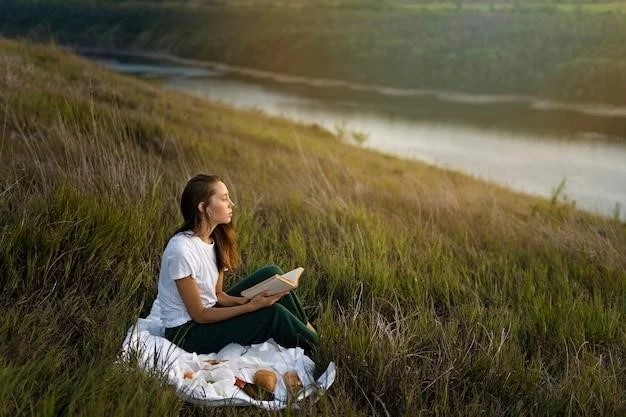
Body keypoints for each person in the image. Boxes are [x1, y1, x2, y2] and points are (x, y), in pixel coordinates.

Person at [156, 174, 318, 355]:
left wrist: (245, 300)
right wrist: (250, 307)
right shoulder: (181, 251)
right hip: (187, 333)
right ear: (203, 207)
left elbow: (217, 295)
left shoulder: (214, 239)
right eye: (224, 199)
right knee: (273, 315)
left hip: (209, 312)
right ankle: (319, 348)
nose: (231, 204)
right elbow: (200, 315)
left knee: (273, 274)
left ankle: (310, 333)